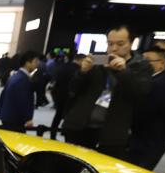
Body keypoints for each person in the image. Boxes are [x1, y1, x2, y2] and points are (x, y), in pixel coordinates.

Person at [62, 25, 152, 159]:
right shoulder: (98, 61)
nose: (114, 48)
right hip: (80, 126)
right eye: (110, 44)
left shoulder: (140, 66)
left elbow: (140, 94)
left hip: (112, 133)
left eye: (120, 44)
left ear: (132, 43)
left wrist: (124, 72)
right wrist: (82, 72)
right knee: (71, 165)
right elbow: (73, 89)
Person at [127, 47, 165, 170]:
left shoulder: (163, 83)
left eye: (147, 60)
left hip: (150, 139)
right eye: (142, 60)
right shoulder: (152, 79)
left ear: (162, 63)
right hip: (145, 137)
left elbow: (149, 110)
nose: (143, 64)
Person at [0, 50, 39, 133]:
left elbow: (3, 95)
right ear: (27, 63)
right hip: (15, 119)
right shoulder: (23, 80)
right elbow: (23, 100)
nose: (37, 64)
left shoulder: (15, 76)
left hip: (8, 115)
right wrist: (28, 118)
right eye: (35, 61)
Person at [49, 53, 81, 140]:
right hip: (71, 97)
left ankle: (52, 135)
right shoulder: (79, 70)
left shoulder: (63, 66)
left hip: (60, 95)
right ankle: (67, 137)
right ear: (80, 60)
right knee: (69, 118)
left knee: (58, 115)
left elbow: (56, 80)